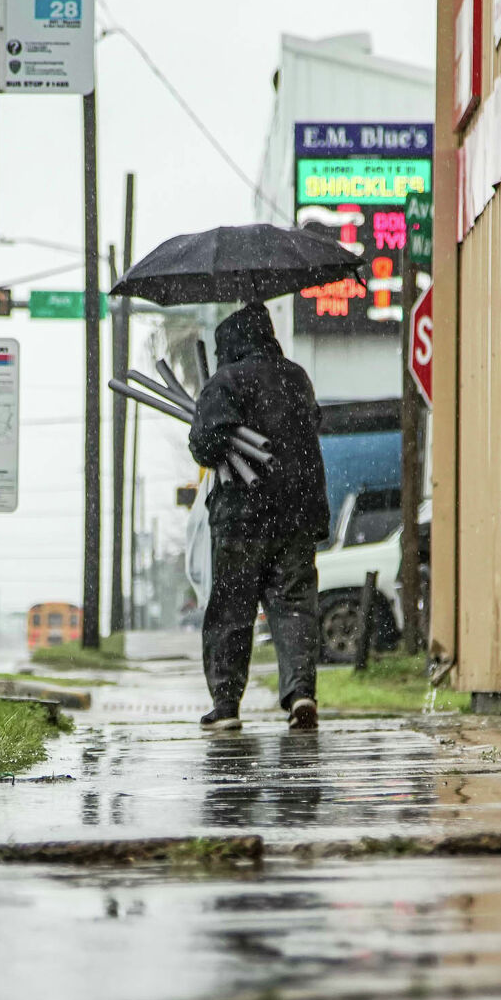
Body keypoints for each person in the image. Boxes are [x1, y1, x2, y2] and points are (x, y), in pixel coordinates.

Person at [186, 301, 328, 731]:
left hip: (242, 518)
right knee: (294, 607)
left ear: (228, 342)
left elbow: (205, 444)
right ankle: (301, 691)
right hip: (297, 514)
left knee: (232, 610)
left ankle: (226, 705)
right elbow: (311, 426)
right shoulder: (297, 377)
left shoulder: (225, 380)